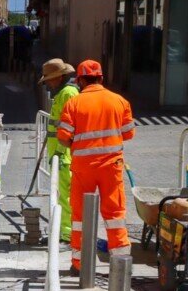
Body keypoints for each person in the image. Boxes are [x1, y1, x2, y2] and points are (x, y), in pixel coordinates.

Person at [56, 59, 135, 274]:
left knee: (81, 216)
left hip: (83, 169)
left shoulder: (74, 103)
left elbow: (63, 138)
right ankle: (120, 263)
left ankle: (79, 264)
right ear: (101, 78)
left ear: (80, 80)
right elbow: (128, 133)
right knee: (115, 214)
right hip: (111, 167)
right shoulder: (119, 101)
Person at [39, 58, 79, 242]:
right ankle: (65, 231)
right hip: (59, 153)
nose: (47, 83)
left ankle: (67, 234)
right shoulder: (63, 93)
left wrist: (61, 152)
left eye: (48, 79)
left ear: (59, 77)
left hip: (63, 154)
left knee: (65, 196)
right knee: (61, 194)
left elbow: (71, 126)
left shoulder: (68, 93)